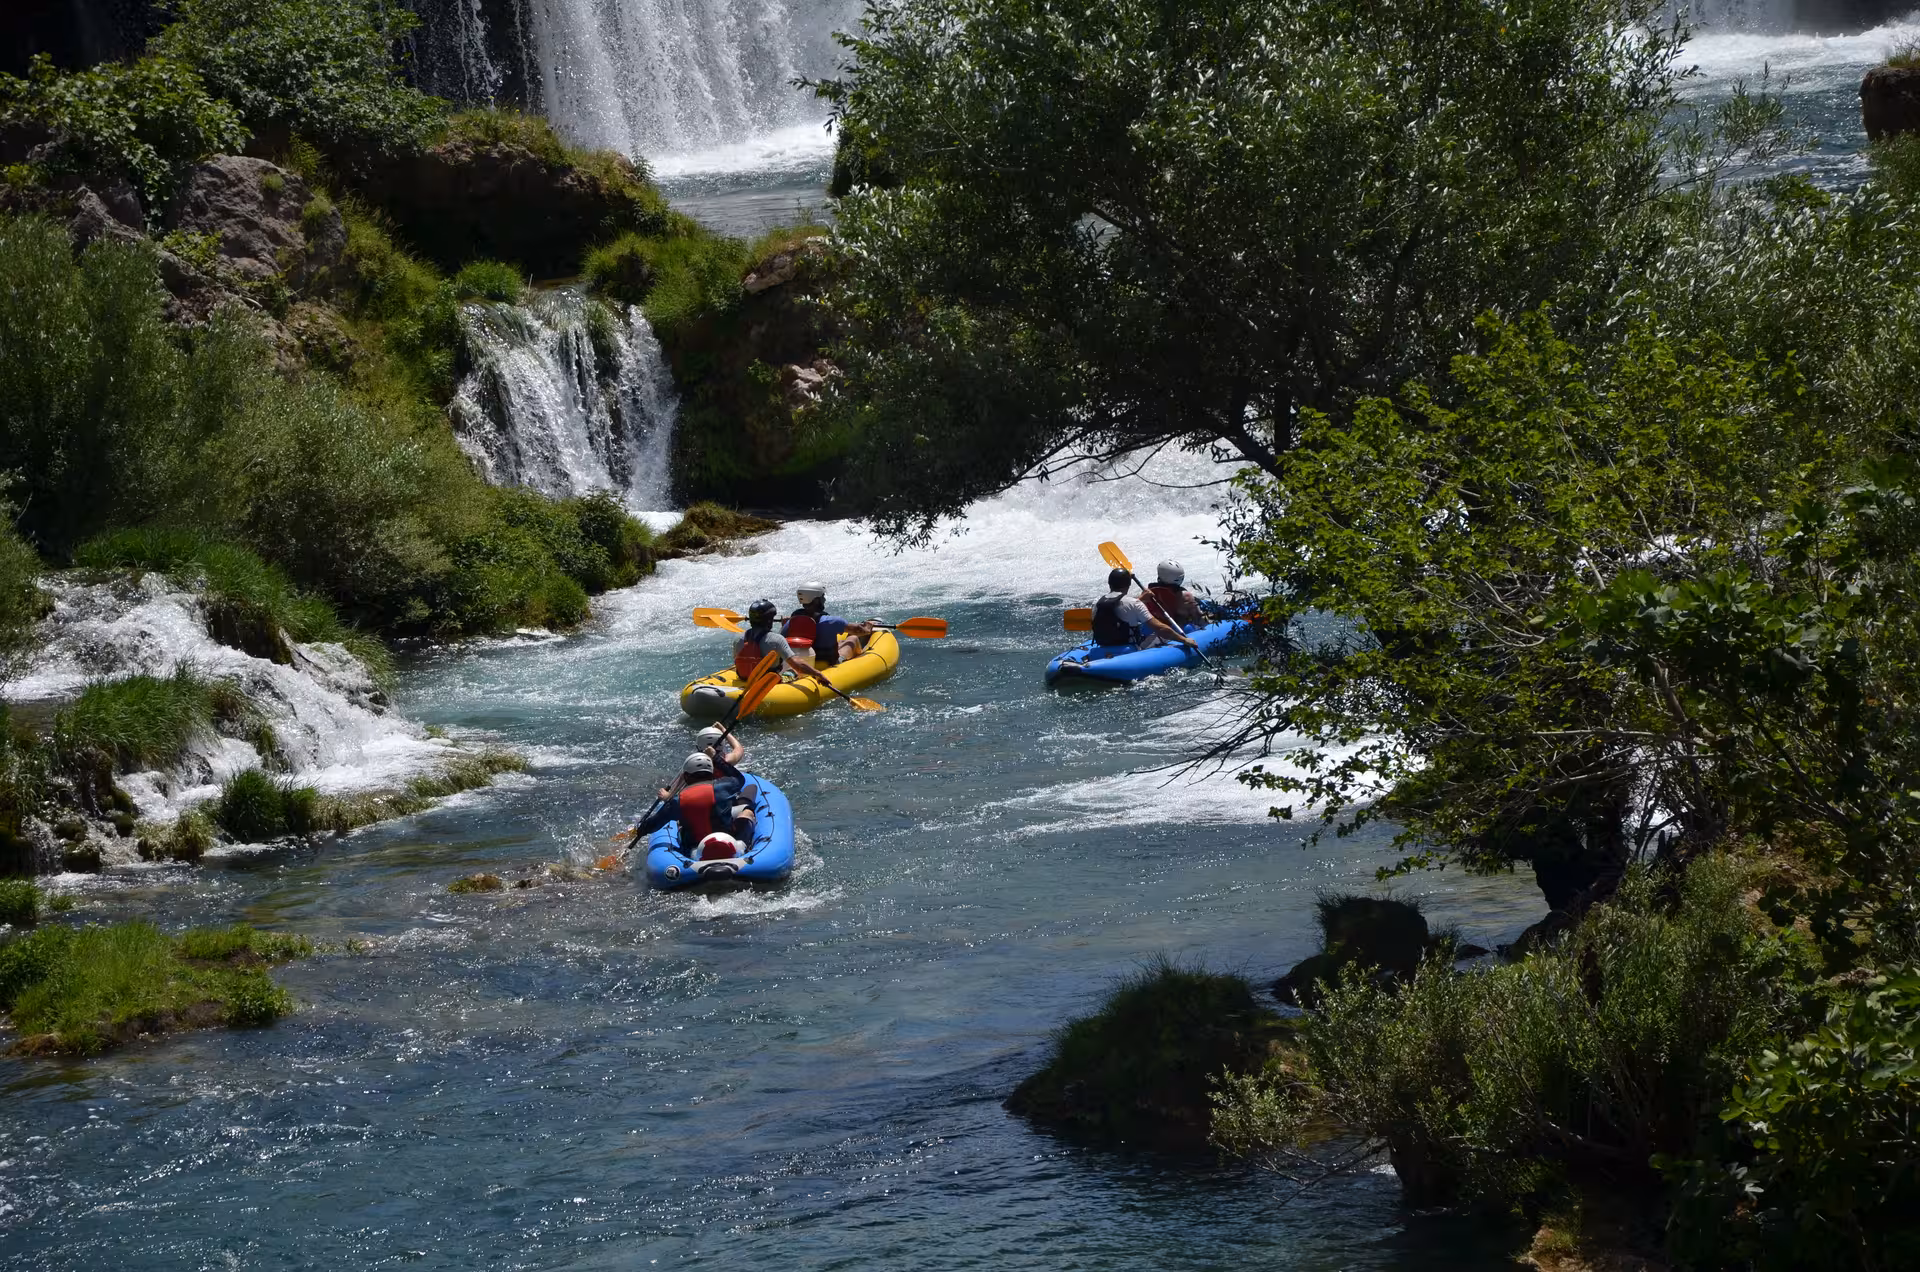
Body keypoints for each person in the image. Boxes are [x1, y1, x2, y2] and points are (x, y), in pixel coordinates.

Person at [634, 753, 757, 859]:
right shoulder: (726, 786)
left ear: (686, 776)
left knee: (680, 823)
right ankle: (750, 846)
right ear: (712, 772)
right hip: (730, 839)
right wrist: (716, 757)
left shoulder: (677, 801)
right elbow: (739, 777)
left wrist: (640, 829)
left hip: (694, 849)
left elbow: (653, 825)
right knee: (747, 812)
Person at [1092, 566, 1196, 651]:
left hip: (1103, 647)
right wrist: (1184, 640)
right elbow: (1160, 628)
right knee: (1160, 636)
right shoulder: (1134, 603)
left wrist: (1141, 599)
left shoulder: (1097, 603)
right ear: (1129, 584)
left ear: (1109, 583)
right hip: (1129, 649)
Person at [783, 582, 877, 669]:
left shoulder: (791, 622)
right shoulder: (831, 621)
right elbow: (858, 630)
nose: (824, 599)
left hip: (803, 661)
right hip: (827, 663)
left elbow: (783, 639)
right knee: (853, 638)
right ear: (816, 600)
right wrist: (868, 626)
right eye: (822, 596)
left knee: (841, 642)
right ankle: (860, 660)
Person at [733, 597, 815, 682]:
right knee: (793, 670)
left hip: (744, 679)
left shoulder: (738, 638)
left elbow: (737, 662)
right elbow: (797, 664)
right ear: (769, 620)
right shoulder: (776, 640)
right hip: (768, 682)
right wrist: (818, 674)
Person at [1145, 560, 1206, 628]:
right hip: (1179, 627)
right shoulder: (1185, 596)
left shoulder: (1147, 593)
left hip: (1158, 624)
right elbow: (1198, 616)